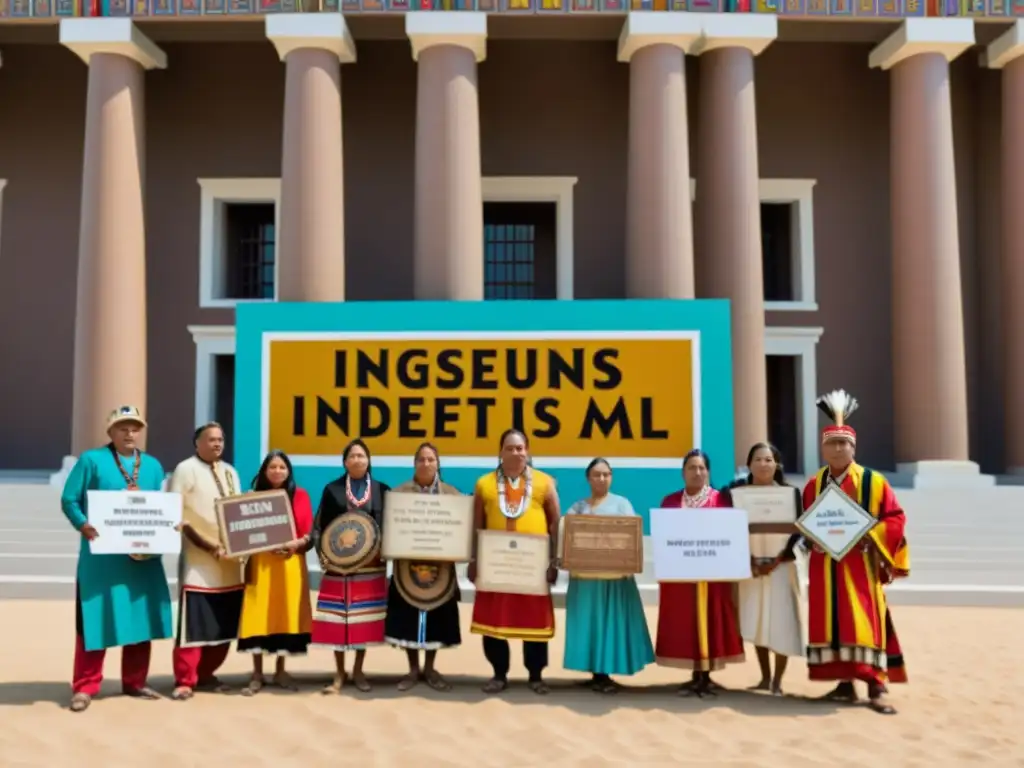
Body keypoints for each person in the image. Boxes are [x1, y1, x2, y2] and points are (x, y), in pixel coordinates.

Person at [803, 390, 909, 715]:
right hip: (825, 565)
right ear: (823, 448)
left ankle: (876, 683)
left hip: (860, 565)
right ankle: (844, 683)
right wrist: (811, 540)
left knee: (863, 620)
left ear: (853, 447)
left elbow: (895, 518)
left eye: (843, 443)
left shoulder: (874, 483)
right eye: (831, 443)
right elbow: (808, 523)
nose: (837, 448)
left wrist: (869, 535)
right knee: (832, 622)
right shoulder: (813, 484)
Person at [60, 406, 173, 713]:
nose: (129, 433)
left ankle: (135, 682)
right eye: (122, 427)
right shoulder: (90, 460)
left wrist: (167, 525)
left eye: (134, 427)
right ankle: (85, 686)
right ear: (110, 432)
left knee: (140, 619)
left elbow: (157, 506)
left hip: (140, 558)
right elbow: (69, 499)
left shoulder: (152, 465)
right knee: (95, 621)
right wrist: (82, 523)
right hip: (102, 560)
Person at [469, 429, 559, 695]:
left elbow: (554, 524)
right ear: (500, 452)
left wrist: (553, 562)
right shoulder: (484, 484)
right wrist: (474, 560)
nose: (516, 453)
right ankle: (498, 674)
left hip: (532, 566)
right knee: (494, 621)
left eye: (520, 448)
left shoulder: (544, 483)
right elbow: (477, 525)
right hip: (495, 565)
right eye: (510, 448)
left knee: (534, 621)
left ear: (528, 451)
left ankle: (535, 675)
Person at [654, 449, 745, 697]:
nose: (697, 472)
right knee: (686, 623)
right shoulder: (670, 502)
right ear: (683, 472)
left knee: (711, 621)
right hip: (681, 578)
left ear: (708, 472)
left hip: (712, 577)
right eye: (691, 468)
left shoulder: (721, 501)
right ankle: (694, 673)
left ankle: (706, 675)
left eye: (701, 468)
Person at [719, 442, 805, 695]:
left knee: (781, 622)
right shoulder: (738, 494)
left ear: (776, 464)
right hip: (751, 568)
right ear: (749, 464)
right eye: (758, 459)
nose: (763, 464)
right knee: (757, 620)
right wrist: (748, 560)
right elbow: (729, 529)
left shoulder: (791, 494)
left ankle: (778, 680)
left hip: (782, 568)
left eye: (768, 459)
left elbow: (799, 533)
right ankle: (764, 677)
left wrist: (779, 559)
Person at [562, 458, 654, 693]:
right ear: (588, 478)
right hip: (586, 579)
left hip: (614, 579)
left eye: (606, 474)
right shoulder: (578, 508)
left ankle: (606, 674)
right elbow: (568, 534)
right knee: (589, 624)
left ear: (611, 477)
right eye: (596, 474)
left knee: (609, 624)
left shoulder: (622, 504)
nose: (601, 479)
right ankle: (595, 673)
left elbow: (631, 537)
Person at [169, 422, 245, 701]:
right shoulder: (185, 469)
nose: (217, 444)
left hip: (230, 563)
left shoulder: (230, 472)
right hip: (198, 563)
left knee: (222, 623)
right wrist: (208, 546)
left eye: (220, 439)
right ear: (197, 443)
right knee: (193, 624)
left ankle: (207, 674)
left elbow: (238, 513)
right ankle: (185, 680)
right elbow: (176, 515)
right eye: (211, 439)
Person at [311, 439, 390, 694]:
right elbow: (319, 527)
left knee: (362, 622)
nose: (357, 460)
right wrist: (322, 555)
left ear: (368, 460)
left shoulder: (382, 490)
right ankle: (339, 673)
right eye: (352, 456)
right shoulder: (332, 490)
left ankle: (358, 670)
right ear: (345, 462)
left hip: (370, 568)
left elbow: (391, 528)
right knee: (338, 621)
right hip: (339, 568)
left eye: (362, 455)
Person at [384, 442, 463, 691]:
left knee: (437, 618)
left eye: (431, 460)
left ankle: (430, 668)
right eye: (422, 460)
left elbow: (460, 530)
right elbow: (390, 529)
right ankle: (412, 669)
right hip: (407, 567)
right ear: (414, 463)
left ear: (438, 463)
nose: (426, 464)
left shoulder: (452, 495)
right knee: (407, 617)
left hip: (440, 568)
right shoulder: (398, 494)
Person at [237, 450, 314, 696]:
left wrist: (292, 545)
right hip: (261, 564)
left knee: (285, 614)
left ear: (289, 470)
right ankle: (257, 673)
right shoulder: (252, 498)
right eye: (273, 467)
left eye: (282, 467)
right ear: (264, 471)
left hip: (289, 564)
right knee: (259, 614)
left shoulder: (300, 496)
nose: (277, 471)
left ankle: (280, 671)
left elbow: (307, 532)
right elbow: (241, 532)